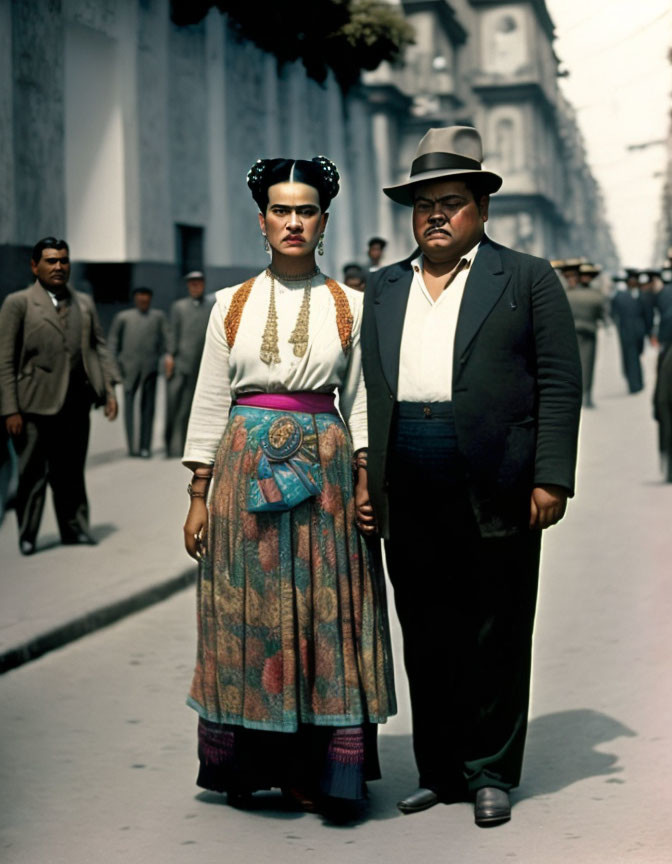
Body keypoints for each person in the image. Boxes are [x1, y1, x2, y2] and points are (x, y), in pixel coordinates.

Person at [360, 126, 582, 827]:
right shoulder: (384, 286)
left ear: (481, 209)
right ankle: (440, 768)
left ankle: (490, 769)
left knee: (496, 625)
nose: (434, 215)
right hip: (410, 475)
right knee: (425, 627)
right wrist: (366, 479)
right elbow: (367, 388)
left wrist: (550, 478)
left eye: (450, 202)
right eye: (422, 203)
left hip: (497, 479)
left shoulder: (525, 278)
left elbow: (558, 383)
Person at [181, 156, 396, 819]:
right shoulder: (230, 304)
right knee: (247, 613)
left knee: (322, 614)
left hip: (325, 478)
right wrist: (197, 495)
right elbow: (211, 397)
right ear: (262, 220)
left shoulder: (351, 305)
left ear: (324, 221)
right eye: (281, 210)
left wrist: (364, 477)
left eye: (306, 211)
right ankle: (249, 766)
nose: (293, 222)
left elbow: (359, 399)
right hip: (241, 476)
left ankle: (321, 770)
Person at [0, 237, 119, 554]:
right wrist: (10, 409)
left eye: (63, 260)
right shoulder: (19, 303)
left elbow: (99, 347)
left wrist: (109, 390)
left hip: (75, 403)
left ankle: (75, 529)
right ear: (34, 266)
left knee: (71, 473)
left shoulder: (83, 303)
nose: (58, 267)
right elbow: (5, 360)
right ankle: (28, 534)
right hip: (33, 405)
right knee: (32, 475)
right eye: (51, 261)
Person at [108, 287, 169, 457]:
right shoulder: (124, 318)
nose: (143, 301)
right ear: (135, 299)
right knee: (129, 408)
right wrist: (114, 367)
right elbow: (113, 343)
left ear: (150, 299)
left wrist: (167, 357)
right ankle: (132, 447)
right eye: (140, 298)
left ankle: (145, 447)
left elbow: (167, 339)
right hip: (128, 369)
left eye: (146, 298)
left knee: (148, 408)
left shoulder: (158, 317)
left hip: (150, 368)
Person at [164, 271, 213, 458]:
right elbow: (172, 333)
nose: (195, 286)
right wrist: (170, 356)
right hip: (180, 364)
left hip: (200, 366)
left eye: (199, 283)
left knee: (191, 409)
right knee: (172, 406)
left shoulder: (210, 307)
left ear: (203, 284)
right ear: (187, 285)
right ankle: (169, 445)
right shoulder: (179, 307)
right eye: (192, 283)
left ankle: (187, 446)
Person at [566, 263, 608, 408]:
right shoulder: (597, 296)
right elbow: (604, 315)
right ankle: (587, 396)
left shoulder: (568, 293)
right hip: (589, 332)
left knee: (570, 364)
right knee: (588, 364)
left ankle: (572, 395)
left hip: (570, 333)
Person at [610, 270, 650, 394]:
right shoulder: (620, 296)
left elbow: (648, 314)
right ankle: (634, 384)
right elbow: (613, 313)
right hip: (626, 331)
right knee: (630, 357)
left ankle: (637, 381)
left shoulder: (643, 296)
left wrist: (647, 330)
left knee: (636, 356)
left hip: (638, 331)